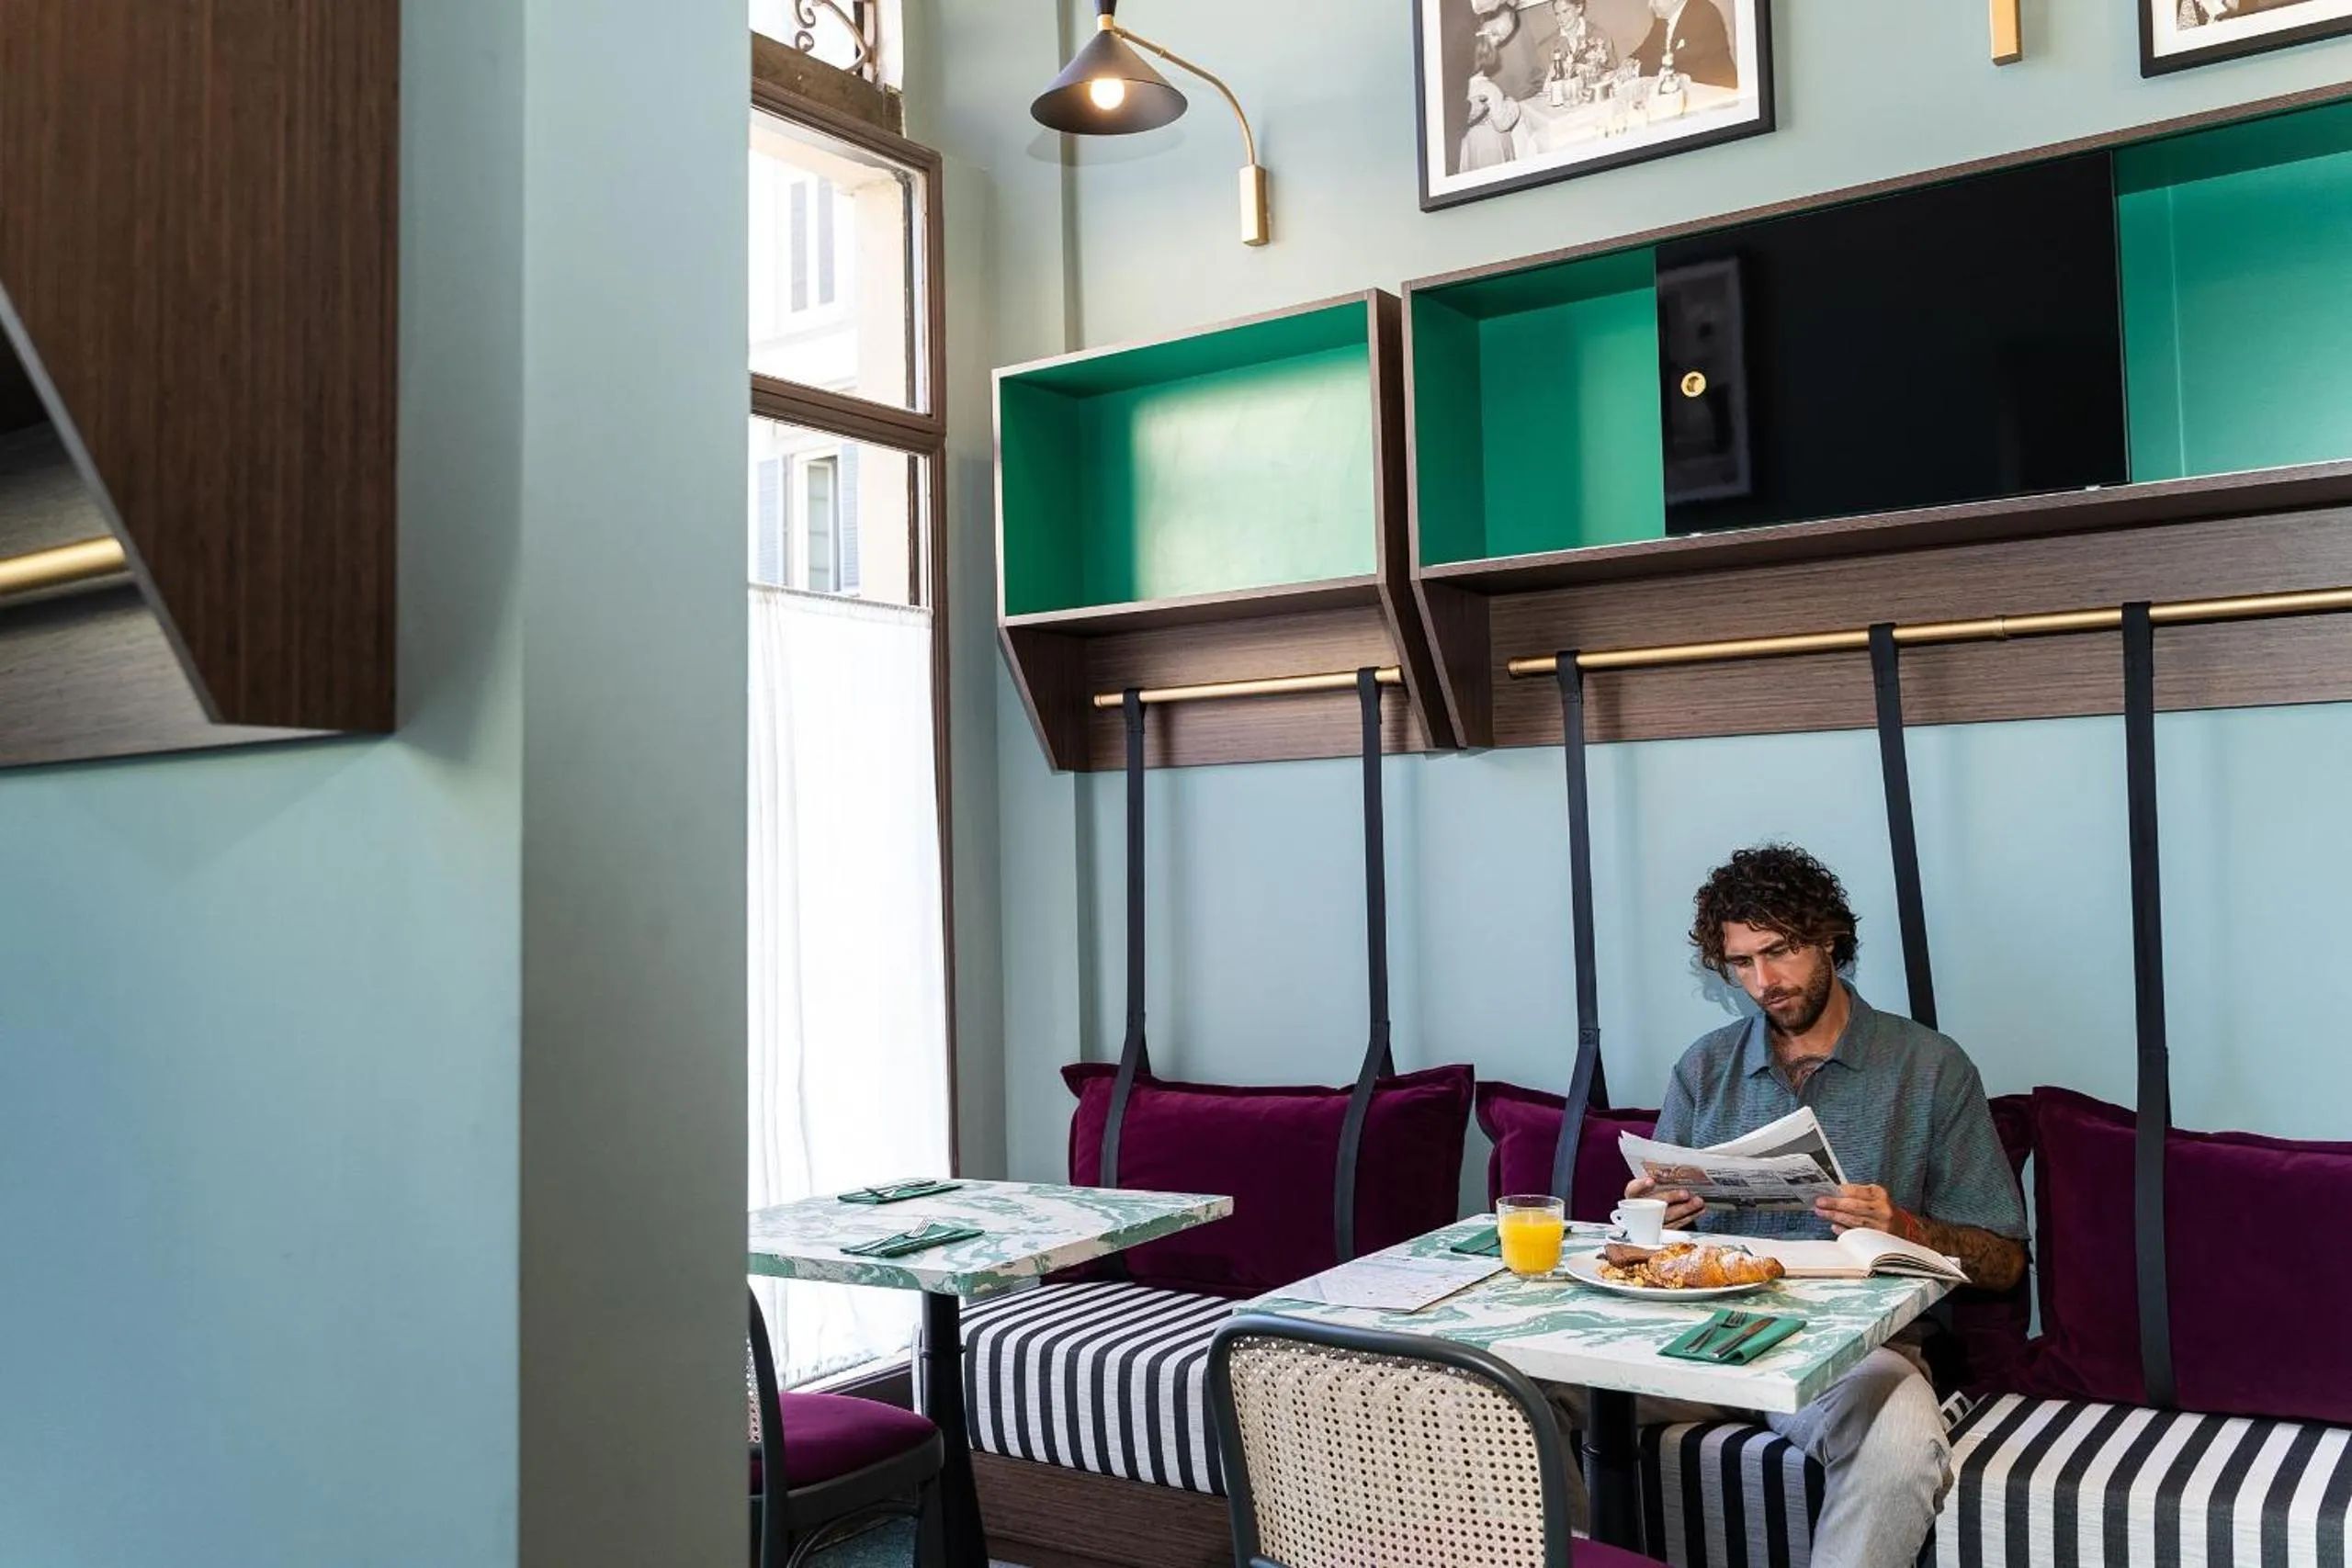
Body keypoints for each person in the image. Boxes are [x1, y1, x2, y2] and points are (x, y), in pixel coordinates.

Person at [1599, 843, 2028, 1568]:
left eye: (1781, 951)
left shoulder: (1929, 1066)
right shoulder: (1704, 1066)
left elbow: (2005, 1262)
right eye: (1741, 963)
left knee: (1901, 1440)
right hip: (1700, 1338)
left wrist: (1907, 1226)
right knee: (1498, 1393)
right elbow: (1645, 1247)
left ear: (1829, 937)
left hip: (1849, 1357)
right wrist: (1649, 1221)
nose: (1764, 981)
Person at [1629, 0, 1738, 89]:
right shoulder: (1661, 22)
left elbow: (1683, 59)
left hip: (1717, 92)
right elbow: (1646, 48)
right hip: (1685, 90)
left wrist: (1637, 69)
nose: (1650, 5)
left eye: (1655, 0)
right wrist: (1629, 61)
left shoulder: (1704, 11)